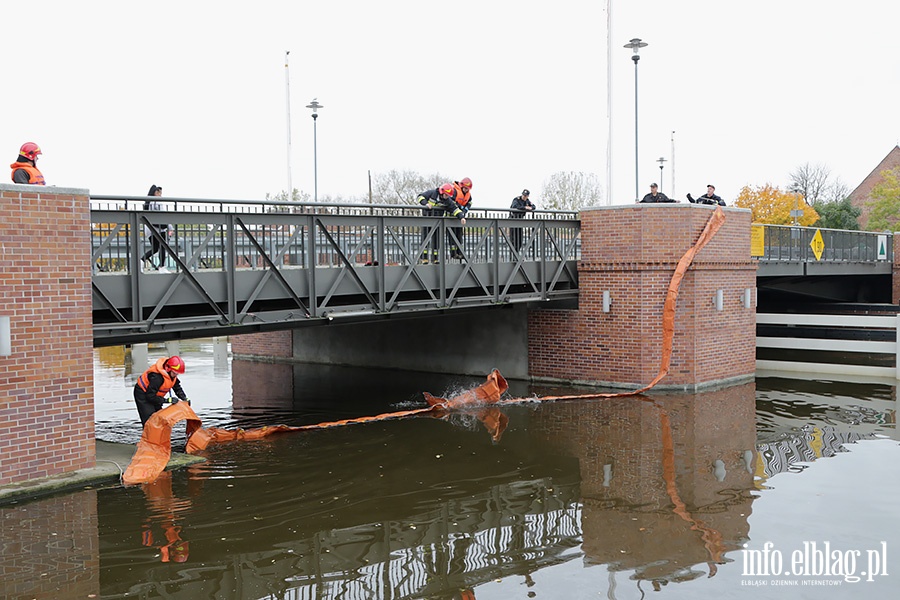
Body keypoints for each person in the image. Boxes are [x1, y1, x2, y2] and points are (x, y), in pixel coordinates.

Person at [416, 183, 467, 263]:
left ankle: (435, 259)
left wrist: (461, 217)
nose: (447, 197)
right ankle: (424, 258)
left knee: (436, 241)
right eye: (446, 195)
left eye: (448, 196)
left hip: (437, 222)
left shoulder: (447, 200)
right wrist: (425, 203)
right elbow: (420, 197)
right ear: (441, 192)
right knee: (425, 239)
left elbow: (454, 209)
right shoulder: (432, 193)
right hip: (427, 220)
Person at [133, 356, 190, 426]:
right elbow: (150, 396)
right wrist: (167, 400)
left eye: (177, 374)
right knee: (150, 421)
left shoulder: (172, 375)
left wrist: (184, 398)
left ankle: (160, 435)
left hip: (155, 396)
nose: (176, 375)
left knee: (160, 418)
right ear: (168, 369)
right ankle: (149, 435)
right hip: (143, 394)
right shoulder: (157, 378)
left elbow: (177, 387)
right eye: (175, 373)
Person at [142, 185, 172, 271]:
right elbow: (162, 215)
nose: (161, 195)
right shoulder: (157, 202)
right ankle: (162, 267)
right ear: (156, 192)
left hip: (149, 229)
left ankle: (141, 261)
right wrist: (169, 226)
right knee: (163, 245)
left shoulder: (148, 203)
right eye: (160, 193)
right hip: (158, 228)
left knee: (155, 248)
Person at [449, 177, 473, 259]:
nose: (467, 190)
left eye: (468, 189)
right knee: (452, 236)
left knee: (459, 235)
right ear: (462, 186)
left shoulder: (468, 195)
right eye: (466, 188)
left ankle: (460, 253)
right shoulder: (455, 191)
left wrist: (465, 209)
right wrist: (459, 207)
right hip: (451, 217)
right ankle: (453, 253)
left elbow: (469, 202)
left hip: (460, 218)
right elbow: (451, 201)